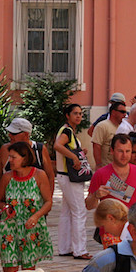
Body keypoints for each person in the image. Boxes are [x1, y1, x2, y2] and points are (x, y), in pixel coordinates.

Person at [0, 141, 53, 272]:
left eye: (13, 157)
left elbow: (48, 202)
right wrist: (6, 207)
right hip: (10, 227)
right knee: (9, 269)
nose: (10, 161)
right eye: (10, 157)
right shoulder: (7, 177)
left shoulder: (39, 175)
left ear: (24, 158)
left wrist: (36, 216)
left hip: (30, 227)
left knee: (28, 270)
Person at [54, 103, 91, 260]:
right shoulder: (67, 131)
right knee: (79, 211)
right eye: (75, 113)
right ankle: (79, 249)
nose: (78, 116)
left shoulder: (68, 131)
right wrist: (74, 156)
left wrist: (79, 153)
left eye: (80, 113)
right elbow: (57, 146)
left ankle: (65, 247)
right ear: (67, 115)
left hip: (65, 176)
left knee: (67, 212)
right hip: (69, 177)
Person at [0, 118, 54, 211]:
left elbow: (50, 176)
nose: (10, 135)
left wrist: (47, 203)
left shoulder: (40, 150)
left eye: (14, 133)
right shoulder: (5, 150)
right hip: (10, 208)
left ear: (26, 134)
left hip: (34, 208)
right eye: (9, 132)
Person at [86, 133, 136, 210]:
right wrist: (95, 195)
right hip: (109, 220)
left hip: (132, 220)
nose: (124, 155)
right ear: (112, 151)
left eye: (127, 151)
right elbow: (89, 206)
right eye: (120, 151)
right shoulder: (100, 174)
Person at [90, 101, 127, 169]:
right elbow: (97, 146)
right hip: (106, 167)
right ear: (113, 112)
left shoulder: (123, 127)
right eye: (122, 112)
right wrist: (99, 165)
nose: (125, 114)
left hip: (119, 169)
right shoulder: (102, 126)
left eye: (125, 112)